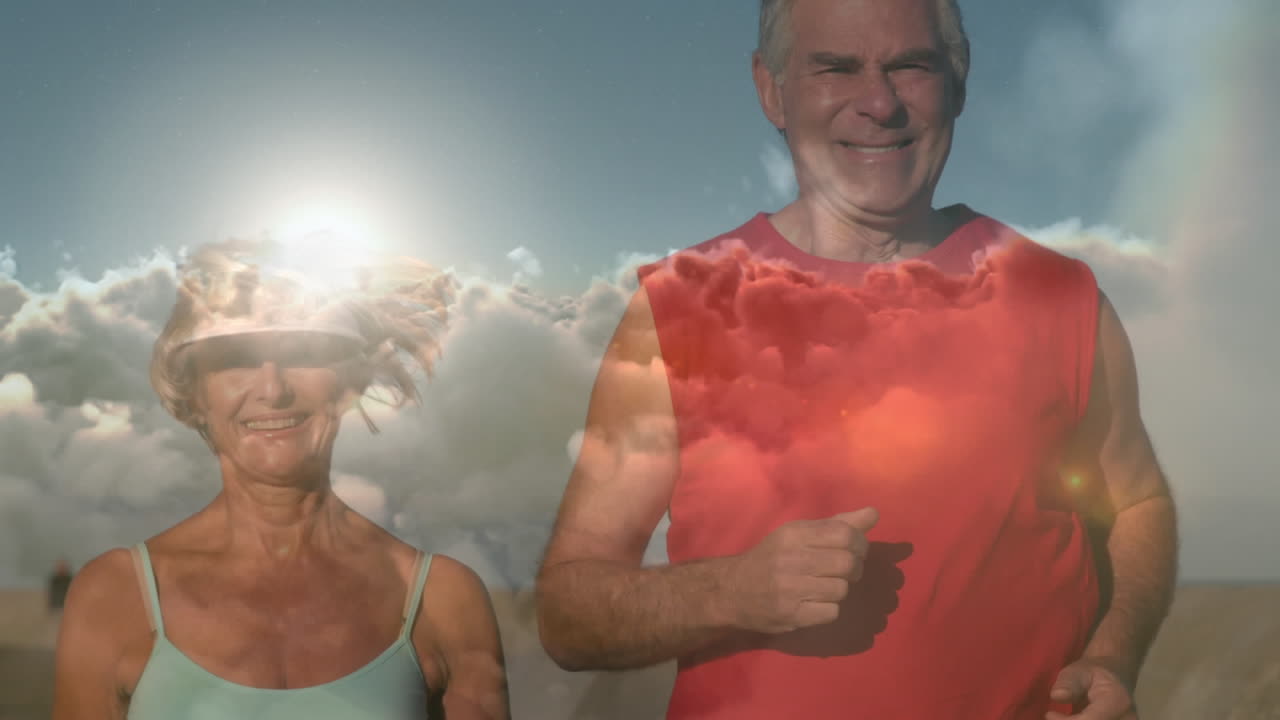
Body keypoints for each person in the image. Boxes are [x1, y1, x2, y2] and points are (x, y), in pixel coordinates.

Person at [535, 1, 1178, 719]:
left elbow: (1138, 503)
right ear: (772, 90)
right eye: (836, 69)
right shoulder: (675, 310)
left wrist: (1112, 656)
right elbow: (567, 611)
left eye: (911, 66)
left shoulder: (1061, 296)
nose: (879, 103)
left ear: (957, 86)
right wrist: (732, 592)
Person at [51, 239, 509, 719]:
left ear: (349, 382)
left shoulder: (445, 601)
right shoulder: (114, 596)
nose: (273, 389)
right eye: (236, 358)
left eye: (303, 352)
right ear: (194, 392)